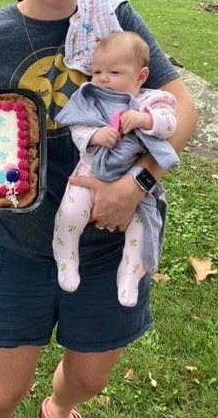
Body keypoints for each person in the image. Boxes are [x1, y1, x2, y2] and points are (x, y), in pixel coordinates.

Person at [0, 0, 197, 418]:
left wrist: (137, 185)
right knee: (0, 393)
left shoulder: (114, 20)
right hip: (16, 245)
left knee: (89, 379)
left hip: (106, 245)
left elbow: (182, 110)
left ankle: (58, 407)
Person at [53, 31, 179, 307]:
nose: (102, 78)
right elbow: (78, 127)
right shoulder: (91, 98)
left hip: (133, 181)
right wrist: (95, 137)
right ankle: (66, 257)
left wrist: (146, 120)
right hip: (89, 173)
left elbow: (171, 124)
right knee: (69, 213)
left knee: (142, 229)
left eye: (114, 72)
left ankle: (130, 275)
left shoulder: (153, 101)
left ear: (141, 76)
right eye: (96, 71)